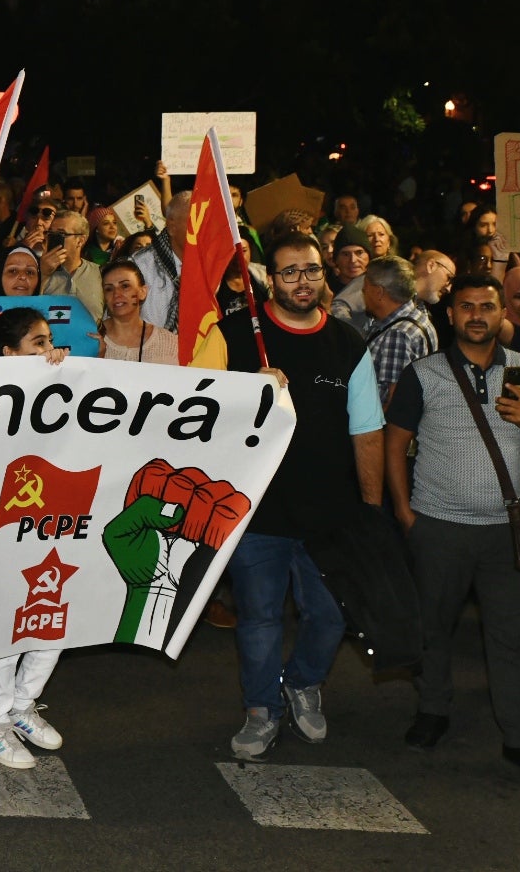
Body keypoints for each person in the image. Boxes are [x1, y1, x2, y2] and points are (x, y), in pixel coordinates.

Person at [191, 231, 384, 761]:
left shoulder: (347, 343)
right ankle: (261, 709)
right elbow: (191, 412)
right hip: (257, 512)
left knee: (330, 615)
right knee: (259, 618)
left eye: (313, 270)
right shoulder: (234, 334)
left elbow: (367, 431)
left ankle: (301, 683)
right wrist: (245, 394)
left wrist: (371, 509)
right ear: (269, 280)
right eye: (290, 271)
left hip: (332, 515)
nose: (303, 281)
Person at [386, 273, 520, 786]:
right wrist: (404, 512)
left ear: (504, 312)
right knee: (433, 628)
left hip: (508, 532)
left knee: (510, 639)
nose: (477, 315)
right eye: (466, 307)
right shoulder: (425, 373)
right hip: (438, 527)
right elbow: (395, 444)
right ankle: (433, 712)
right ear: (451, 314)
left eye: (487, 306)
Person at [0, 307, 68, 770]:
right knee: (8, 628)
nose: (50, 351)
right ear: (9, 354)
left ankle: (22, 707)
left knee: (54, 616)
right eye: (39, 343)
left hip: (53, 519)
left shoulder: (67, 385)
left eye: (50, 340)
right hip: (3, 523)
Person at [361, 256, 438, 405]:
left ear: (379, 292)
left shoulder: (397, 335)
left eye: (365, 287)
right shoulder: (420, 319)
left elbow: (395, 403)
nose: (363, 292)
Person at [130, 191, 192, 332]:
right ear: (171, 227)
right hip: (150, 351)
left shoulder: (212, 266)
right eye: (193, 221)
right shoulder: (138, 266)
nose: (202, 229)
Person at [98, 260, 179, 365]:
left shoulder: (169, 344)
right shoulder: (90, 337)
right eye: (109, 289)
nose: (116, 294)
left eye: (125, 286)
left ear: (142, 292)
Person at [39, 210, 103, 321]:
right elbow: (29, 312)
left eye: (61, 234)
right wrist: (42, 274)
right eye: (50, 233)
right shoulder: (35, 271)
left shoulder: (100, 273)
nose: (53, 239)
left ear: (80, 241)